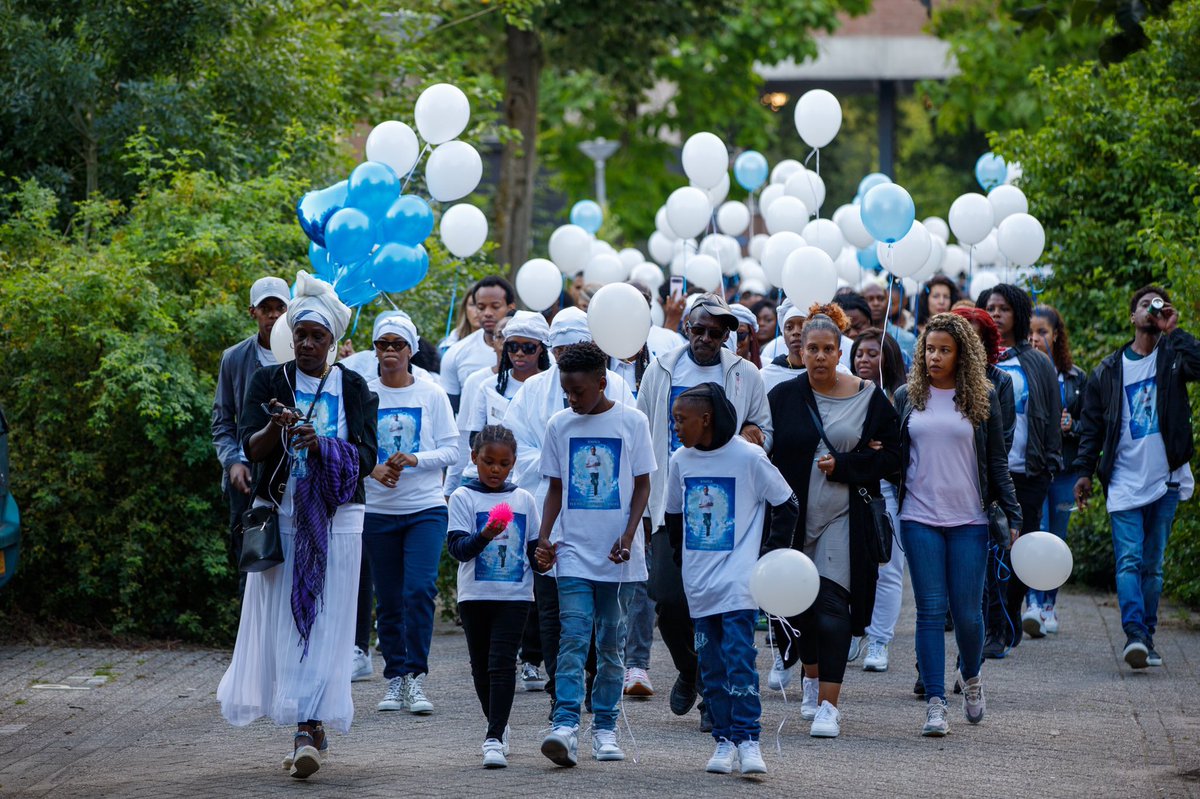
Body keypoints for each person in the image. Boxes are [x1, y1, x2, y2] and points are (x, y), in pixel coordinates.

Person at [218, 272, 378, 779]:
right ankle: (306, 725)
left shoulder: (354, 386)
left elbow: (369, 456)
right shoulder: (270, 381)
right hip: (284, 514)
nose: (308, 343)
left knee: (328, 620)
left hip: (339, 518)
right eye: (302, 334)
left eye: (318, 336)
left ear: (332, 342)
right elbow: (251, 448)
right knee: (289, 618)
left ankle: (311, 723)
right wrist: (277, 426)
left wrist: (324, 445)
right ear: (291, 335)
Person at [636, 293, 772, 731]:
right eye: (699, 330)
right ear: (686, 328)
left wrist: (751, 432)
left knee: (721, 609)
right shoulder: (661, 370)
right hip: (670, 505)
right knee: (670, 601)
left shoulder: (744, 373)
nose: (706, 339)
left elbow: (763, 427)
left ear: (728, 336)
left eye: (717, 333)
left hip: (729, 511)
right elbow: (642, 430)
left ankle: (715, 703)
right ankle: (690, 669)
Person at [766, 314, 901, 739]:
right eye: (812, 349)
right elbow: (766, 451)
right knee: (801, 606)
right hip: (796, 519)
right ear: (799, 351)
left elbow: (896, 458)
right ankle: (809, 680)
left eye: (828, 349)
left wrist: (848, 464)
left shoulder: (869, 397)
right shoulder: (782, 397)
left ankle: (829, 705)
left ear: (839, 354)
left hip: (845, 517)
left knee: (831, 606)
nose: (820, 356)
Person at [892, 312, 1020, 737]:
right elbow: (895, 457)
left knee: (967, 614)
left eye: (944, 350)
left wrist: (1013, 515)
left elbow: (997, 461)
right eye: (930, 349)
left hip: (970, 518)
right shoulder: (907, 397)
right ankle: (935, 703)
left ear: (962, 353)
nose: (935, 357)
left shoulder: (980, 397)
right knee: (929, 611)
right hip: (919, 518)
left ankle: (972, 676)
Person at [502, 307, 636, 712]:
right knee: (553, 607)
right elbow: (515, 447)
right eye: (560, 350)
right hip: (549, 509)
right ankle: (564, 690)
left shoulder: (618, 389)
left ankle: (595, 678)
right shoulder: (531, 392)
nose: (567, 357)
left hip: (601, 516)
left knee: (599, 610)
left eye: (577, 348)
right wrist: (559, 461)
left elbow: (632, 457)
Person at [664, 383, 798, 775]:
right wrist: (681, 558)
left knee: (740, 658)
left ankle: (749, 739)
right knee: (710, 666)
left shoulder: (748, 457)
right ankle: (722, 740)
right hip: (699, 584)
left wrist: (767, 558)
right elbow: (673, 515)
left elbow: (786, 503)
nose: (675, 427)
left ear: (705, 419)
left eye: (680, 420)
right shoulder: (680, 460)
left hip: (740, 583)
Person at [534, 342, 655, 767]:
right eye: (567, 391)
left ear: (602, 383)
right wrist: (544, 538)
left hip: (620, 556)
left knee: (610, 644)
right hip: (573, 552)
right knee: (572, 637)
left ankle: (605, 727)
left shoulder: (632, 422)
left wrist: (628, 532)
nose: (572, 399)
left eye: (580, 391)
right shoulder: (559, 425)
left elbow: (643, 484)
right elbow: (555, 487)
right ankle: (564, 725)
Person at [1074, 286, 1199, 669]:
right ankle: (1135, 635)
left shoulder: (1174, 357)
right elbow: (1091, 427)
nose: (1152, 309)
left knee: (1153, 564)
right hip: (1124, 479)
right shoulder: (1108, 370)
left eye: (1158, 304)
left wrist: (1174, 330)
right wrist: (1084, 472)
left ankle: (1147, 633)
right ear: (1132, 317)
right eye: (1145, 305)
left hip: (1165, 477)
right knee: (1129, 560)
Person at [362, 313, 460, 717]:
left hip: (424, 509)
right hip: (377, 511)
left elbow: (454, 451)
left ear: (411, 350)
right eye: (382, 344)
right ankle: (395, 677)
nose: (389, 351)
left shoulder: (432, 393)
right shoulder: (363, 394)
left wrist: (417, 458)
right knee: (387, 599)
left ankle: (416, 676)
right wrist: (373, 468)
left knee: (418, 591)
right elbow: (347, 445)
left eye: (397, 344)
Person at [446, 425, 541, 768]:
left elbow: (533, 553)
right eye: (488, 462)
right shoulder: (463, 497)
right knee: (481, 667)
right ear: (474, 458)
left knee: (502, 664)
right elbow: (458, 550)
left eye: (504, 463)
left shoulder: (524, 500)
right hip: (474, 596)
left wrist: (545, 558)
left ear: (514, 463)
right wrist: (485, 534)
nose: (496, 469)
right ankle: (497, 724)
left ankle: (494, 737)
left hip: (515, 597)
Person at [978, 284, 1062, 656]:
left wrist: (1051, 463)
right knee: (985, 551)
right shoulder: (977, 359)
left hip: (1028, 472)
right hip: (985, 471)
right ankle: (993, 625)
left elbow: (1050, 416)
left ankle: (1010, 611)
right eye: (990, 307)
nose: (996, 314)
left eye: (1004, 308)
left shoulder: (1037, 361)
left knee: (1018, 549)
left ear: (1019, 313)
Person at [212, 277, 290, 589]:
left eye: (279, 308)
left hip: (289, 472)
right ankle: (250, 637)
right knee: (251, 562)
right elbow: (222, 418)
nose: (272, 315)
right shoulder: (235, 358)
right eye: (265, 308)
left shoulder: (304, 354)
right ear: (252, 312)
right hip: (246, 477)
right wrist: (232, 461)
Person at [1026, 304, 1087, 636]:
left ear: (1057, 336)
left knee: (1058, 539)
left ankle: (1050, 604)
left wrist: (1072, 425)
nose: (1035, 339)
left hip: (1064, 472)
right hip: (1035, 470)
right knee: (1036, 534)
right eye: (1031, 333)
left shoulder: (1075, 378)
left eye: (1043, 332)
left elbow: (1091, 425)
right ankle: (1032, 602)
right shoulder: (1020, 372)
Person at [848, 329, 907, 673]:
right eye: (859, 354)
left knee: (888, 566)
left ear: (888, 358)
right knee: (852, 566)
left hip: (888, 492)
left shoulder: (901, 397)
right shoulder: (843, 392)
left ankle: (880, 638)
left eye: (872, 353)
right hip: (851, 489)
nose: (864, 360)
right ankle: (854, 631)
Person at [441, 277, 517, 411]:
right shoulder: (455, 353)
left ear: (510, 308)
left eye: (495, 306)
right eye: (481, 307)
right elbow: (450, 411)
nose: (487, 313)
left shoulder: (531, 351)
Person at [863, 280, 916, 362]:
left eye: (881, 298)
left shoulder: (907, 339)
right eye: (870, 299)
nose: (876, 303)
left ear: (888, 302)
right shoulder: (855, 336)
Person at [439, 285, 480, 356]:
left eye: (481, 306)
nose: (477, 310)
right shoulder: (447, 344)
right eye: (472, 304)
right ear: (465, 309)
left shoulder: (501, 343)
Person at [729, 303, 762, 368]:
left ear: (751, 336)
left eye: (740, 333)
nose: (734, 341)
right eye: (729, 335)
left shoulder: (766, 366)